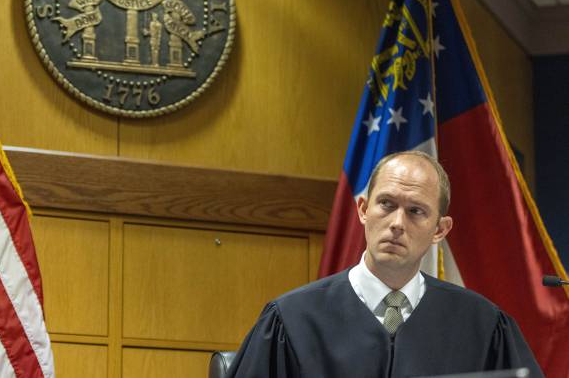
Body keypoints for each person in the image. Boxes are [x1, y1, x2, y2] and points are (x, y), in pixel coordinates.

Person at [226, 151, 543, 378]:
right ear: (363, 209)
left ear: (440, 230)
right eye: (386, 204)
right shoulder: (291, 319)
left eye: (416, 211)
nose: (397, 223)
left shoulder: (483, 325)